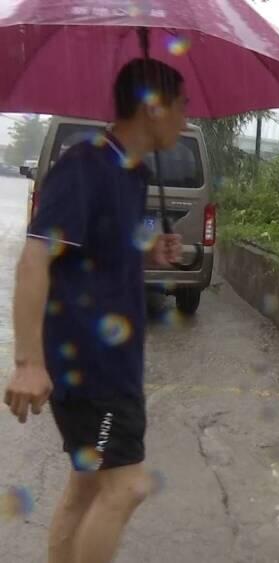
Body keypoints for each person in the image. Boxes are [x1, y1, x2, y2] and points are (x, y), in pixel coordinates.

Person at [4, 58, 187, 563]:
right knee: (124, 487)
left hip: (116, 365)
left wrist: (151, 252)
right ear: (153, 107)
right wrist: (28, 361)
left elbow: (100, 253)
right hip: (92, 368)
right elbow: (35, 258)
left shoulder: (131, 174)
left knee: (88, 489)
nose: (187, 120)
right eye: (181, 106)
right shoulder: (86, 165)